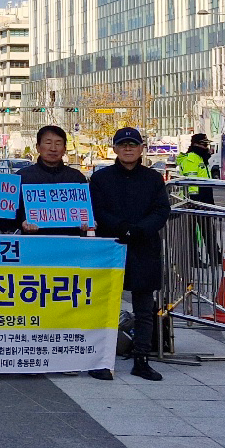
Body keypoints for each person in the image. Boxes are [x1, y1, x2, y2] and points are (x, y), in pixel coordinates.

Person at [90, 127, 171, 382]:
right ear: (114, 148)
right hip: (111, 246)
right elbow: (97, 210)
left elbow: (162, 210)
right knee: (105, 306)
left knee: (144, 308)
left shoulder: (153, 178)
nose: (128, 148)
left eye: (133, 144)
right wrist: (122, 228)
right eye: (123, 144)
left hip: (144, 246)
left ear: (141, 149)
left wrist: (140, 229)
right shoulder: (101, 178)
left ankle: (142, 359)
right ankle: (101, 360)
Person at [17, 126, 89, 236]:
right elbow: (11, 214)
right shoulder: (22, 177)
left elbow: (86, 209)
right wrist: (23, 222)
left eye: (58, 143)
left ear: (64, 149)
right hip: (33, 241)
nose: (53, 148)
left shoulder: (77, 177)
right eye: (48, 143)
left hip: (70, 241)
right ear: (38, 147)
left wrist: (87, 221)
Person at [176, 133, 221, 264]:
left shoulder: (201, 158)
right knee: (192, 233)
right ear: (196, 144)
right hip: (192, 201)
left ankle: (215, 256)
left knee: (208, 230)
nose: (207, 148)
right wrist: (194, 200)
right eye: (204, 144)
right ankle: (193, 259)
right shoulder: (191, 158)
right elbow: (190, 181)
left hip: (203, 200)